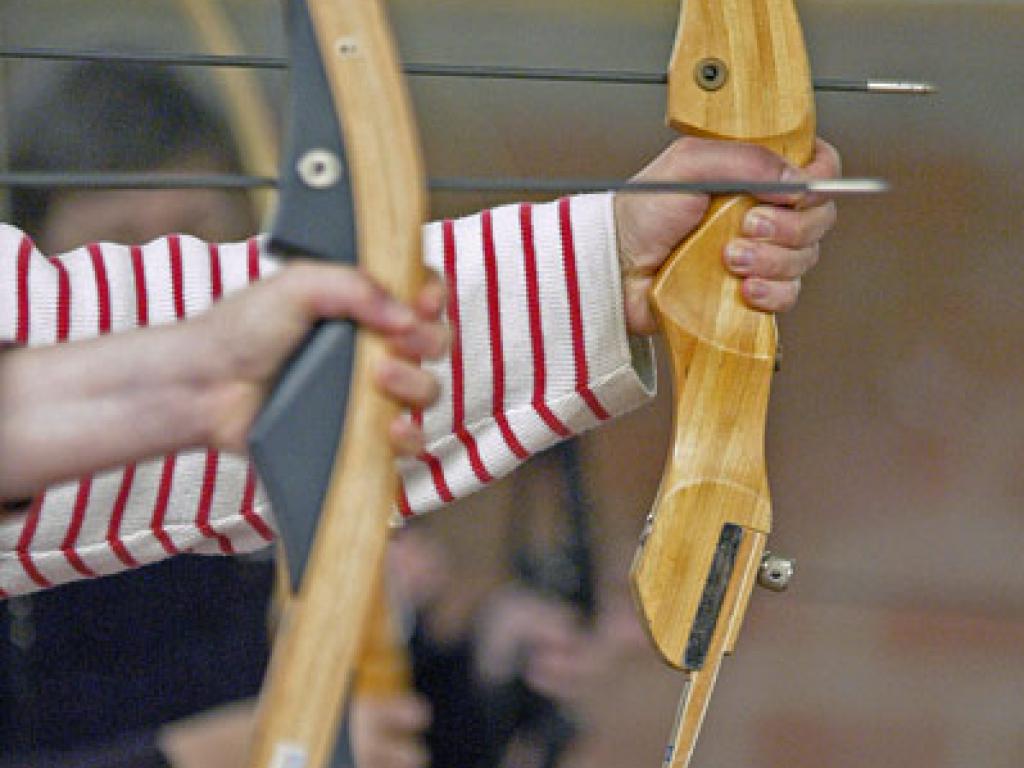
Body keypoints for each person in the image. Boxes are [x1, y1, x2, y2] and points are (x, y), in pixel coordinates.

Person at [0, 54, 837, 767]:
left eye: (190, 229)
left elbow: (408, 729)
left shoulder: (233, 458)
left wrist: (483, 663)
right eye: (122, 237)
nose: (161, 264)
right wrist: (224, 752)